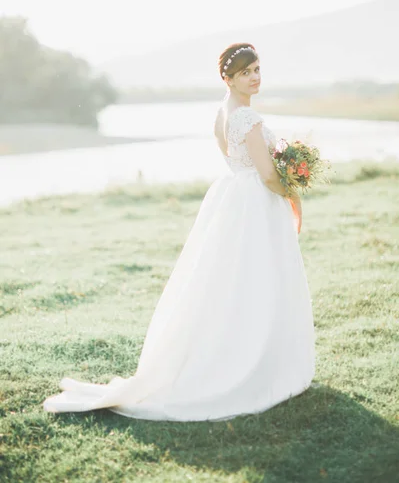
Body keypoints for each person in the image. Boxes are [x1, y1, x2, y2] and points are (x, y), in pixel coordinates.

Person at [43, 42, 315, 421]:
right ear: (228, 78)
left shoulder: (224, 113)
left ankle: (238, 352)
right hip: (255, 201)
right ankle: (256, 364)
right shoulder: (246, 120)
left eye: (257, 69)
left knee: (233, 282)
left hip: (235, 198)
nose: (255, 77)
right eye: (246, 72)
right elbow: (267, 174)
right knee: (258, 279)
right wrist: (293, 194)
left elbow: (243, 162)